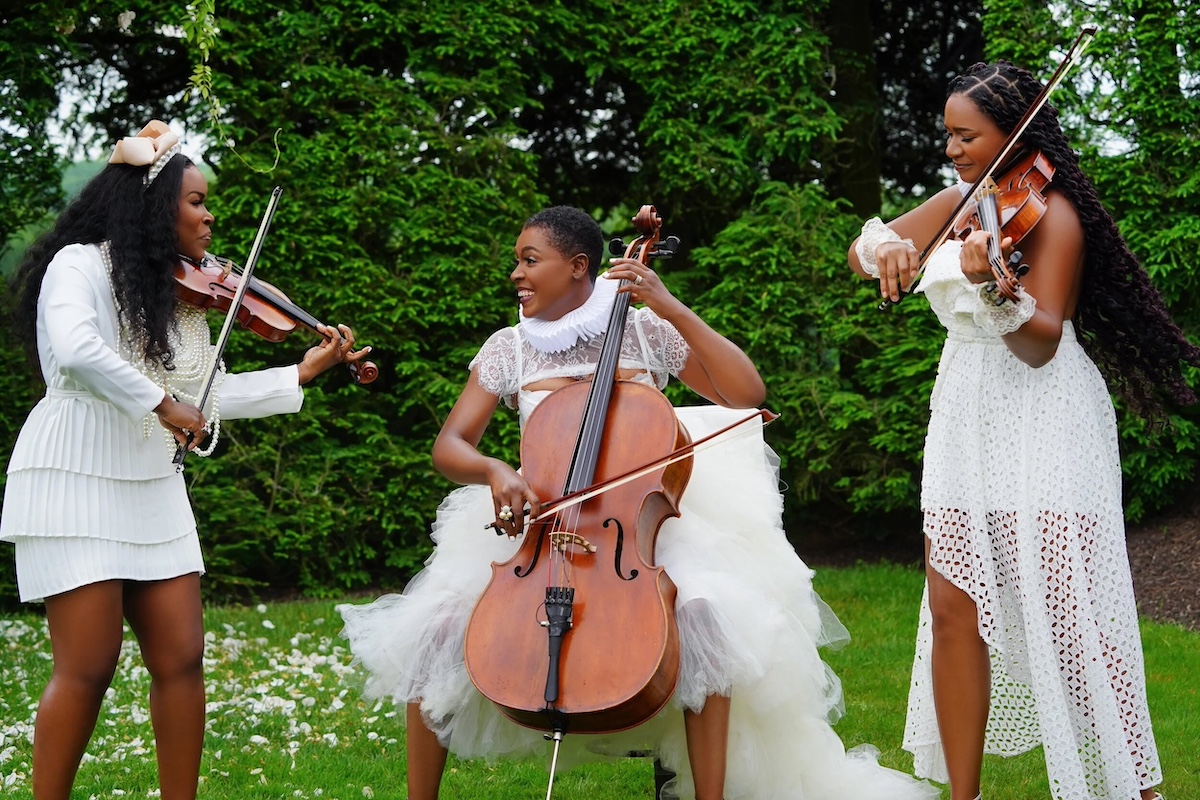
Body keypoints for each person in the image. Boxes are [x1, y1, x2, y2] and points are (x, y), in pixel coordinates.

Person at [339, 205, 938, 800]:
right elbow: (450, 446)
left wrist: (667, 305)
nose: (515, 274)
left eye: (529, 260)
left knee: (707, 617)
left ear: (578, 266)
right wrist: (495, 470)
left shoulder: (641, 331)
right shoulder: (510, 347)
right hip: (540, 521)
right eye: (516, 261)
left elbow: (744, 392)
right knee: (434, 629)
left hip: (639, 524)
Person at [848, 61, 1199, 800]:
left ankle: (1140, 788)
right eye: (947, 134)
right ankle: (963, 796)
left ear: (1014, 132)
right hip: (965, 409)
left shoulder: (1056, 217)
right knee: (951, 608)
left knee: (1068, 616)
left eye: (965, 135)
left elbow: (1040, 341)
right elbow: (864, 245)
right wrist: (883, 250)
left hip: (1042, 413)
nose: (951, 149)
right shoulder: (959, 202)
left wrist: (986, 288)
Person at [0, 120, 370, 800]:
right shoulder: (77, 265)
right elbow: (81, 352)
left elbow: (204, 394)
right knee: (87, 666)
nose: (209, 217)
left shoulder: (166, 292)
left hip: (149, 482)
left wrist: (299, 374)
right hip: (73, 474)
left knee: (182, 658)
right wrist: (165, 407)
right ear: (153, 203)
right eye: (197, 201)